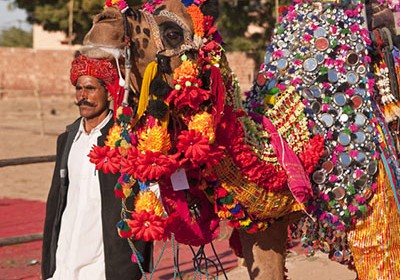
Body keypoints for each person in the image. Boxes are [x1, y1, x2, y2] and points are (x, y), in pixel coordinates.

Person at [42, 54, 152, 280]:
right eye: (79, 88)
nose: (83, 96)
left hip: (105, 265)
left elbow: (144, 199)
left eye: (91, 88)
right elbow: (57, 201)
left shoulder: (124, 139)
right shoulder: (67, 139)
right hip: (65, 259)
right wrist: (49, 260)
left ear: (108, 93)